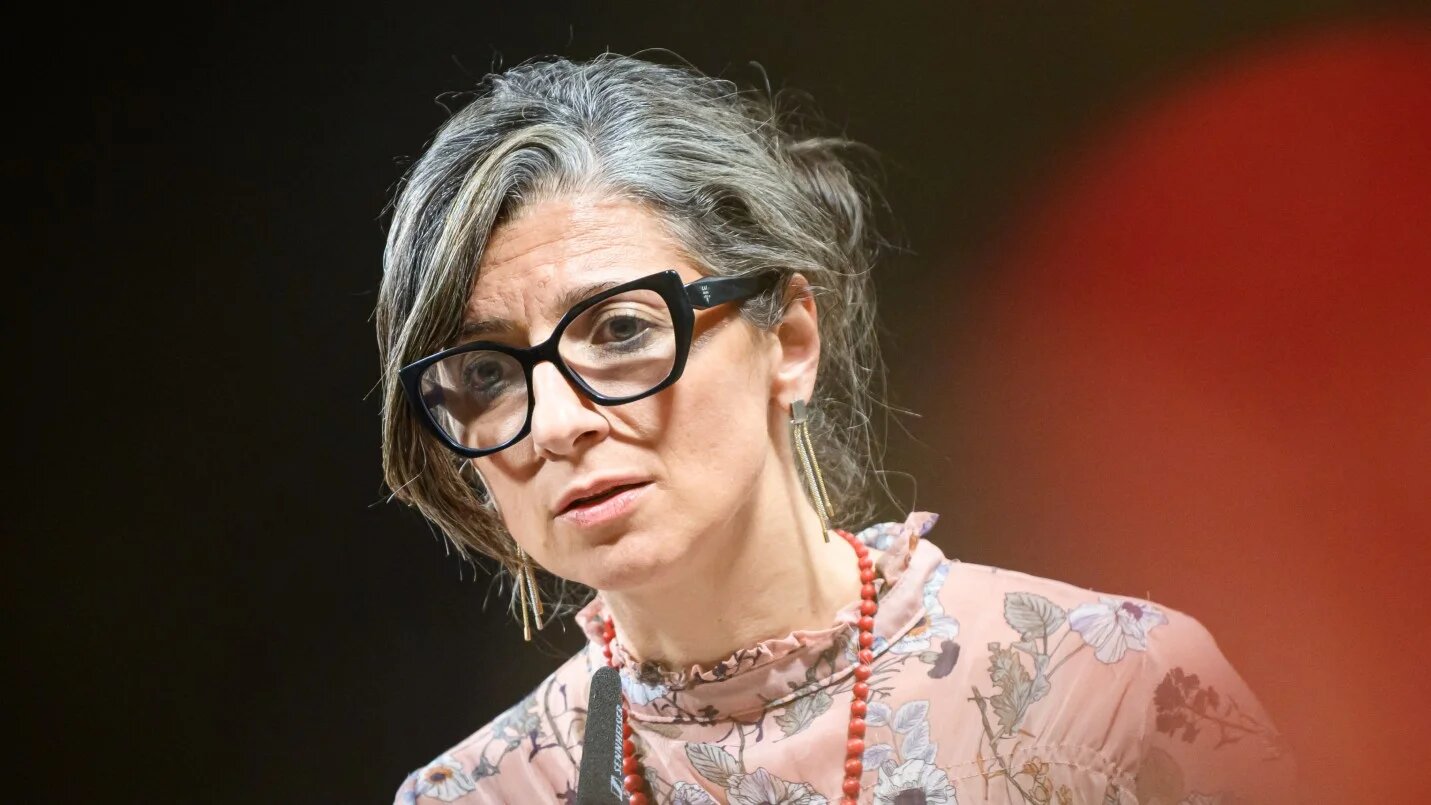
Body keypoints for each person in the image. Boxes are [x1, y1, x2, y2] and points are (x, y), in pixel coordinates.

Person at [379, 55, 1295, 805]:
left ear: (788, 339)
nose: (560, 423)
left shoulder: (1107, 694)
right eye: (488, 375)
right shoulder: (482, 793)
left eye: (620, 330)